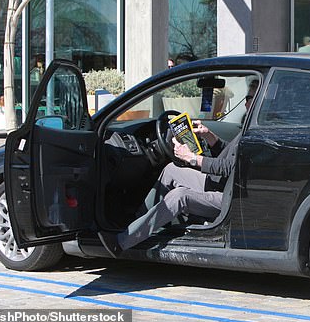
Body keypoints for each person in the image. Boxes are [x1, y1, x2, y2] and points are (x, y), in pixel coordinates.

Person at [98, 80, 259, 257]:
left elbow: (229, 167)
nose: (245, 102)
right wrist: (209, 136)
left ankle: (121, 243)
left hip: (231, 197)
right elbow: (231, 155)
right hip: (222, 185)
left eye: (249, 97)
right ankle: (136, 225)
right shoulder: (250, 126)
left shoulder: (255, 131)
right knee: (171, 170)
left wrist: (192, 158)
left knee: (179, 196)